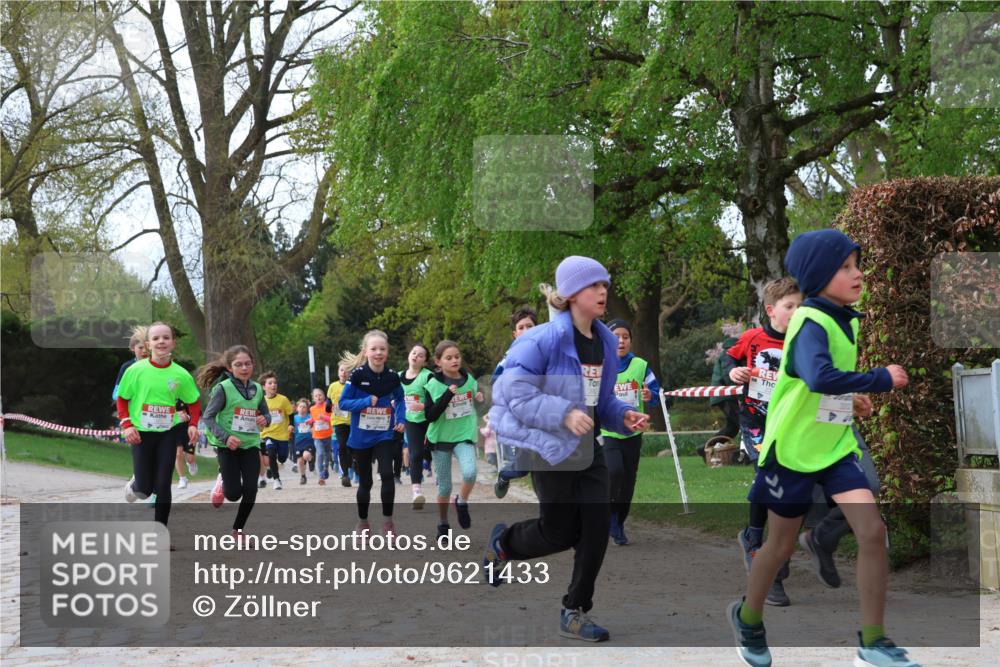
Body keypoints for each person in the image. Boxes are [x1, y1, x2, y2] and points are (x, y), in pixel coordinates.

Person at [728, 229, 916, 667]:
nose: (857, 274)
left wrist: (849, 402)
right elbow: (815, 377)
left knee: (872, 532)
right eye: (845, 268)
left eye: (857, 265)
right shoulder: (812, 321)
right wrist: (878, 379)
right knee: (778, 547)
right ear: (818, 276)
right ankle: (749, 618)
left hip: (832, 447)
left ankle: (873, 642)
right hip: (791, 451)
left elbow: (818, 389)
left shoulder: (841, 318)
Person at [484, 256, 649, 642]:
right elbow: (514, 393)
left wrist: (621, 414)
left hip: (587, 450)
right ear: (573, 293)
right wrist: (564, 413)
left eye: (605, 285)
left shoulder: (605, 342)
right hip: (548, 450)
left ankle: (574, 610)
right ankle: (504, 543)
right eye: (594, 285)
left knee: (596, 529)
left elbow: (600, 399)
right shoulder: (541, 339)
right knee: (557, 533)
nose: (603, 291)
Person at [723, 277, 803, 605]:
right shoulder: (752, 338)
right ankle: (762, 554)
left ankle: (754, 538)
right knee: (770, 483)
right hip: (756, 422)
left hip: (792, 427)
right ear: (771, 310)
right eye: (790, 307)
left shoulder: (804, 342)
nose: (797, 312)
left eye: (801, 306)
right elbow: (728, 359)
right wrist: (734, 372)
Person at [117, 322, 200, 528]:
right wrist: (127, 425)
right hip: (141, 435)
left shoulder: (181, 374)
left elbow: (193, 401)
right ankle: (135, 484)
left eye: (166, 337)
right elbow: (122, 399)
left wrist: (194, 424)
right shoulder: (136, 370)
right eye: (156, 338)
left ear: (173, 343)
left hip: (167, 433)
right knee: (144, 490)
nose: (161, 341)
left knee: (163, 485)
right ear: (148, 344)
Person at [337, 330, 406, 538]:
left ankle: (388, 523)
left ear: (387, 352)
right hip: (361, 438)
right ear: (366, 351)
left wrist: (401, 419)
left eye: (382, 349)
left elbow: (400, 399)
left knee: (387, 474)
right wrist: (366, 402)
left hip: (384, 434)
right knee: (365, 481)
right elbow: (343, 403)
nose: (378, 353)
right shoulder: (357, 376)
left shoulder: (392, 377)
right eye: (374, 349)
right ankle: (363, 523)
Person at [198, 345, 270, 540]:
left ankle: (238, 530)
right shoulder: (223, 389)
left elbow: (265, 413)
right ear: (230, 368)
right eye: (239, 365)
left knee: (251, 489)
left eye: (247, 364)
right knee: (232, 494)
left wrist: (265, 419)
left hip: (250, 444)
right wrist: (226, 437)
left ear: (253, 365)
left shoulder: (257, 389)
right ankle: (222, 478)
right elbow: (208, 418)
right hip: (227, 446)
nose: (244, 368)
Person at [601, 318, 661, 547]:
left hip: (633, 434)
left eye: (625, 337)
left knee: (627, 481)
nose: (621, 341)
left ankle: (618, 522)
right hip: (609, 433)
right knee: (614, 471)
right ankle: (606, 516)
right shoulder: (601, 365)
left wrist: (650, 396)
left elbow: (656, 392)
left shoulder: (641, 366)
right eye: (616, 337)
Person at [419, 340, 485, 538]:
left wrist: (480, 398)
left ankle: (462, 501)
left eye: (457, 356)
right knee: (445, 486)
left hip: (463, 435)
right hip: (440, 440)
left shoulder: (469, 379)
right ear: (438, 362)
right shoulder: (433, 384)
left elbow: (477, 402)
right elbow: (430, 416)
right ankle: (443, 522)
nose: (454, 360)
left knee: (471, 472)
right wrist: (447, 395)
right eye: (449, 358)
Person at [492, 306, 538, 499]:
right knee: (522, 469)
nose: (526, 330)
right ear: (515, 333)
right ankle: (505, 474)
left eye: (530, 326)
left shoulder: (547, 352)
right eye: (521, 327)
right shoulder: (508, 359)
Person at [399, 343, 433, 509]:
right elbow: (394, 396)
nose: (415, 356)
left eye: (420, 355)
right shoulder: (399, 376)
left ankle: (440, 477)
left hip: (430, 419)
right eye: (414, 352)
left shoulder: (428, 376)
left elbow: (435, 398)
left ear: (424, 362)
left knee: (430, 450)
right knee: (415, 453)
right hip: (411, 420)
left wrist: (424, 406)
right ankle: (416, 491)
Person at [260, 371, 294, 491]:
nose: (273, 385)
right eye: (270, 383)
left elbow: (290, 414)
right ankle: (276, 480)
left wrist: (291, 425)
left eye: (275, 383)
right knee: (271, 452)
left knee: (283, 458)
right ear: (264, 386)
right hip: (267, 433)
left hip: (282, 435)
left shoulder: (283, 400)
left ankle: (273, 468)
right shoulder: (260, 401)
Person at [327, 363, 354, 487]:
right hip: (338, 421)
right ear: (338, 372)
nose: (344, 372)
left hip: (353, 421)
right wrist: (328, 406)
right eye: (342, 370)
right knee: (342, 446)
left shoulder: (353, 385)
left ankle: (352, 465)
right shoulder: (332, 386)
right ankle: (345, 475)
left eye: (347, 370)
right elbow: (328, 401)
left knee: (351, 448)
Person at [309, 388, 335, 486]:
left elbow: (333, 418)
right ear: (313, 398)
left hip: (328, 435)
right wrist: (310, 421)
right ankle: (320, 476)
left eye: (320, 395)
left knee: (327, 454)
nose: (318, 397)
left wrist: (325, 418)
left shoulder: (328, 406)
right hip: (317, 436)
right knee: (320, 453)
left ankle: (326, 469)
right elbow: (313, 418)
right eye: (316, 396)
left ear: (324, 396)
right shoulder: (312, 409)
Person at [292, 399, 315, 485]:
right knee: (300, 461)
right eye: (300, 407)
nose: (302, 408)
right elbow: (290, 427)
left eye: (304, 407)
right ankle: (303, 476)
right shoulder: (294, 418)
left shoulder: (310, 417)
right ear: (297, 408)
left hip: (309, 441)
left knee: (306, 455)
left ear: (307, 409)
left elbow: (315, 425)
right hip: (298, 442)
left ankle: (311, 459)